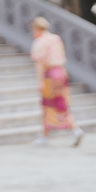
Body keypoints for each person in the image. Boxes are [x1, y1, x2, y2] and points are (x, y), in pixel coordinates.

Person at [29, 17, 84, 147]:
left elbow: (40, 64)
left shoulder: (40, 42)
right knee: (61, 103)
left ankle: (70, 129)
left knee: (48, 105)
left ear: (36, 29)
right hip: (61, 73)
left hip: (50, 75)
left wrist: (40, 81)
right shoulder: (55, 39)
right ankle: (69, 130)